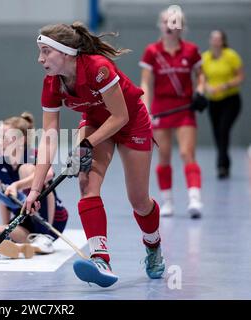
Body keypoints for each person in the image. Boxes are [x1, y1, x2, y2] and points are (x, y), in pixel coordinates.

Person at [25, 21, 165, 288]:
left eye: (45, 51)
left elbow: (121, 116)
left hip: (131, 120)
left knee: (138, 200)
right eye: (39, 51)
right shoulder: (52, 84)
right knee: (86, 183)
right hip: (95, 122)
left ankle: (153, 244)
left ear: (65, 52)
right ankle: (101, 259)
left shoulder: (98, 68)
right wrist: (34, 188)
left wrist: (86, 143)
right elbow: (49, 137)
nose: (39, 58)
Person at [139, 7, 205, 218]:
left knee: (187, 152)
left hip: (185, 108)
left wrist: (200, 92)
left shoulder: (191, 50)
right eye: (166, 21)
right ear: (161, 24)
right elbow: (146, 83)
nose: (170, 26)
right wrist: (146, 111)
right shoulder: (152, 51)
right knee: (164, 155)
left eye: (174, 22)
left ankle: (194, 198)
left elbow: (200, 76)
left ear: (181, 27)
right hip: (161, 109)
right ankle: (167, 201)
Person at [0, 112, 68, 259]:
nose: (0, 142)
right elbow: (2, 196)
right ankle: (11, 246)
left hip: (51, 220)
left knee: (25, 169)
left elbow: (49, 174)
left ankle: (45, 238)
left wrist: (16, 185)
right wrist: (6, 228)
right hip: (25, 221)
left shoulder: (33, 154)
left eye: (5, 138)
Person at [201, 30, 245, 179]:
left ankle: (222, 165)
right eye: (213, 38)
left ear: (223, 41)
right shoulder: (205, 57)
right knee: (217, 132)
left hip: (230, 99)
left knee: (223, 129)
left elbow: (240, 76)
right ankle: (223, 162)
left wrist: (226, 85)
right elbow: (202, 77)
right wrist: (206, 87)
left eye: (218, 39)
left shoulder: (231, 56)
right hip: (213, 101)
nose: (215, 41)